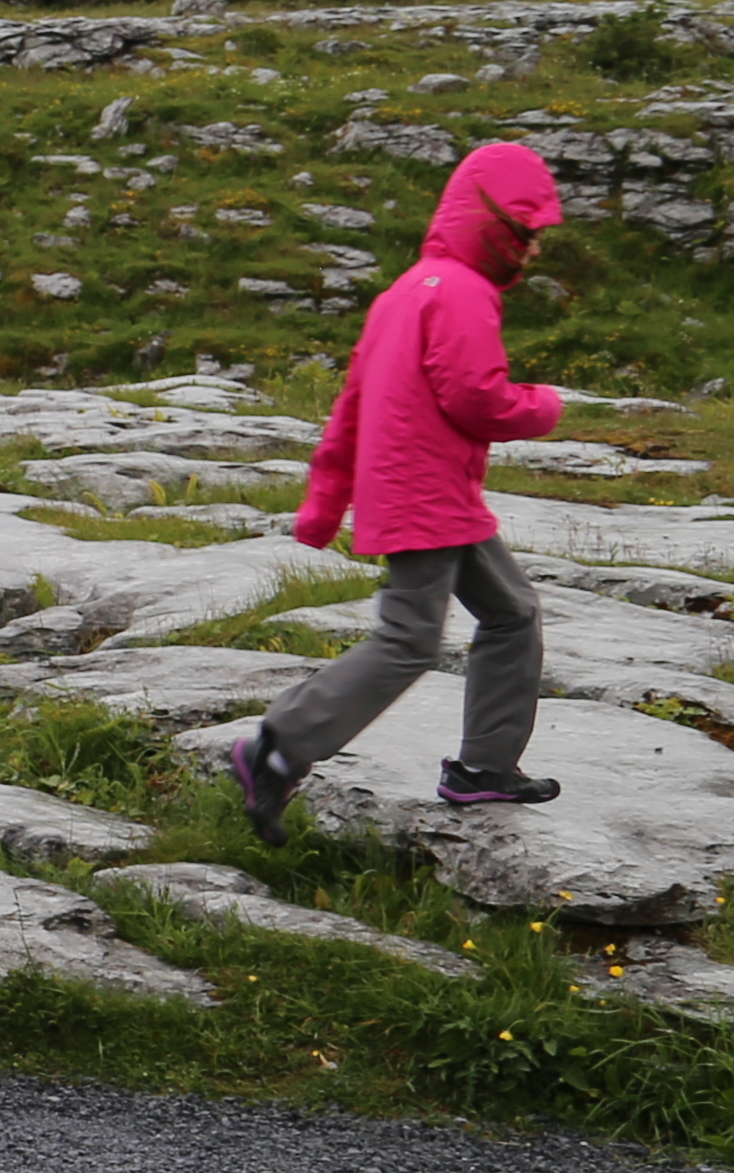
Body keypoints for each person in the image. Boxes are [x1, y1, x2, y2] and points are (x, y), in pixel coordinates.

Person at [228, 140, 575, 835]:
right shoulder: (463, 294)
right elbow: (477, 399)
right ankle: (277, 748)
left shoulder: (407, 290)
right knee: (409, 639)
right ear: (493, 222)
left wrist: (326, 500)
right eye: (528, 234)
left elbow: (351, 402)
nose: (534, 251)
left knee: (512, 612)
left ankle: (484, 768)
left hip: (431, 493)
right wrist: (544, 405)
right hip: (426, 498)